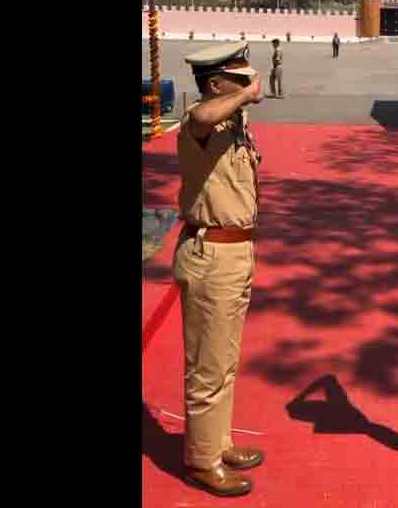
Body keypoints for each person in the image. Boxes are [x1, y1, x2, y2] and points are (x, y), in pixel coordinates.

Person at [173, 42, 265, 497]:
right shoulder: (201, 122)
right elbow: (203, 118)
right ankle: (202, 461)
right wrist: (246, 97)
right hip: (211, 254)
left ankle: (218, 441)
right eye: (241, 79)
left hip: (235, 253)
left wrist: (242, 104)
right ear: (216, 85)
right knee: (207, 366)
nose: (251, 85)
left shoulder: (233, 125)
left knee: (224, 361)